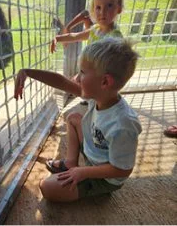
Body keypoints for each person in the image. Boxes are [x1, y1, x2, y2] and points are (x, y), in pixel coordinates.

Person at [14, 37, 142, 201]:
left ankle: (94, 187)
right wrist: (28, 72)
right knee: (73, 118)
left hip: (105, 178)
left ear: (104, 81)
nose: (76, 78)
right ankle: (70, 163)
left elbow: (122, 170)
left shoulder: (123, 124)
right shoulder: (101, 95)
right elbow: (63, 82)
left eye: (82, 72)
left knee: (47, 187)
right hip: (94, 151)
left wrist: (83, 172)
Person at [51, 0, 124, 106]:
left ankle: (95, 101)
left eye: (109, 6)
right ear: (93, 10)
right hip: (90, 71)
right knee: (74, 82)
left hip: (101, 77)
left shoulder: (115, 37)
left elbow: (116, 65)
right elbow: (76, 36)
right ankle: (90, 100)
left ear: (118, 8)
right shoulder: (96, 29)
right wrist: (58, 38)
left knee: (77, 85)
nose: (102, 12)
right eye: (98, 7)